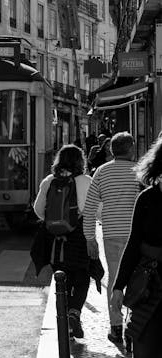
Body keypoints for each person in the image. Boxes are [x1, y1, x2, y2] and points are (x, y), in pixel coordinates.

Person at [32, 143, 102, 339]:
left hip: (55, 241)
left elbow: (38, 210)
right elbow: (97, 211)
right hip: (80, 237)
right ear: (80, 161)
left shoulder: (49, 181)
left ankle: (65, 327)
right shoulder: (86, 181)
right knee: (81, 278)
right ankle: (74, 313)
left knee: (60, 282)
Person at [83, 131, 139, 347]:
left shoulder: (101, 173)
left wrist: (90, 238)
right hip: (135, 236)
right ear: (131, 148)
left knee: (115, 281)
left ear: (111, 150)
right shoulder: (138, 172)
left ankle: (116, 328)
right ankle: (133, 327)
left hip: (112, 235)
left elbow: (88, 210)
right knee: (138, 280)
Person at [111, 136, 162, 357]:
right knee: (146, 347)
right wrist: (117, 287)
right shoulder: (147, 198)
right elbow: (133, 245)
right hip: (150, 286)